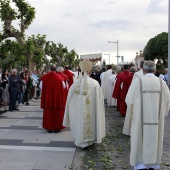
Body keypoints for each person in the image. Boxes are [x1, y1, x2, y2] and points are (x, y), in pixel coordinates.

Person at [124, 61, 170, 170]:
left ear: (143, 70)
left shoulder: (137, 82)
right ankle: (153, 164)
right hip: (157, 121)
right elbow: (168, 101)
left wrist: (132, 114)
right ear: (154, 70)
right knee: (155, 140)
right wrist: (163, 113)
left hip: (139, 120)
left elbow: (129, 100)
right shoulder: (161, 83)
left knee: (139, 140)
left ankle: (141, 165)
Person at [63, 59, 105, 149]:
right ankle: (92, 140)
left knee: (81, 121)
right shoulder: (95, 84)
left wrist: (72, 110)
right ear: (89, 71)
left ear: (80, 71)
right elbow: (100, 99)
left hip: (80, 113)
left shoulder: (75, 85)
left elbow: (69, 100)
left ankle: (81, 141)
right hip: (92, 111)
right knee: (93, 120)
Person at [40, 64, 66, 133]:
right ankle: (57, 128)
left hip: (48, 99)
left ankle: (49, 128)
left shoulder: (44, 77)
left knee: (49, 113)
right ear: (56, 69)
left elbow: (41, 87)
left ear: (50, 69)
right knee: (57, 113)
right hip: (57, 99)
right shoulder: (60, 78)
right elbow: (64, 87)